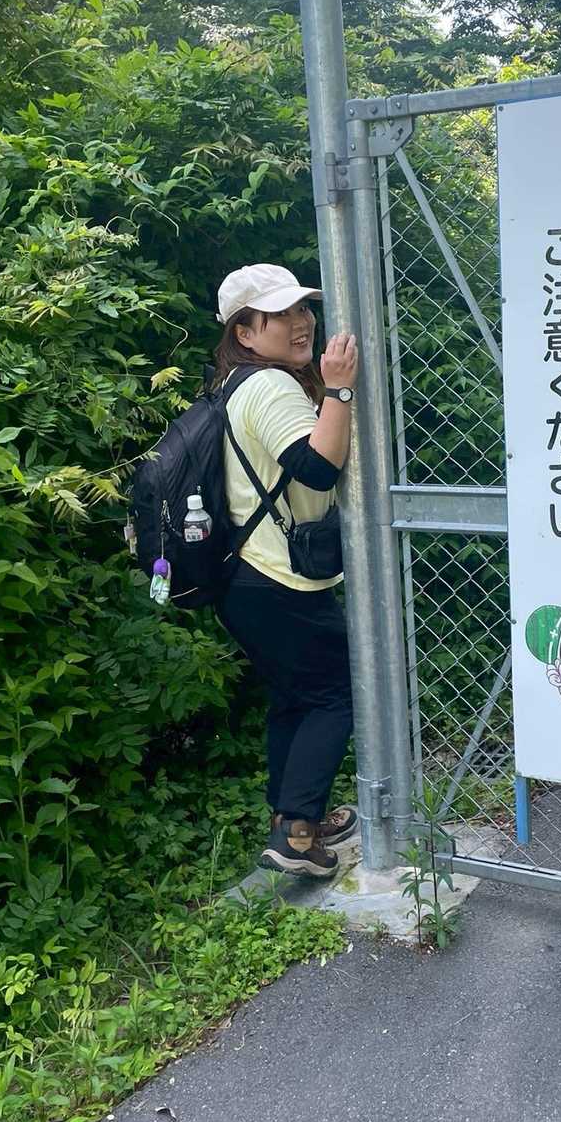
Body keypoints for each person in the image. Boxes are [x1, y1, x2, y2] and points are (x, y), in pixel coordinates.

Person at [211, 262, 359, 880]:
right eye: (280, 314)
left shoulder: (234, 384)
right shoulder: (269, 385)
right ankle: (298, 833)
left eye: (302, 308)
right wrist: (340, 390)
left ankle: (292, 820)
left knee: (296, 697)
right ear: (244, 333)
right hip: (279, 579)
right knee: (336, 692)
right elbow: (316, 470)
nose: (301, 322)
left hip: (246, 579)